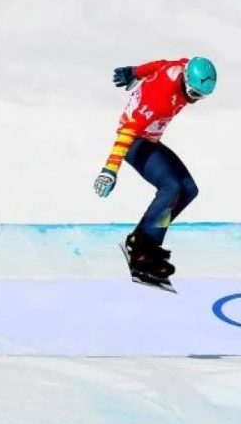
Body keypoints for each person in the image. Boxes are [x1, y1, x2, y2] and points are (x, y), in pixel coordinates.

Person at [93, 56, 217, 283]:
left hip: (148, 139)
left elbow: (161, 64)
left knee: (189, 189)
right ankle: (142, 252)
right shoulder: (159, 98)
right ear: (187, 84)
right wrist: (110, 169)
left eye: (202, 96)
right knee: (171, 187)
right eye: (195, 95)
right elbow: (128, 130)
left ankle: (140, 239)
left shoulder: (182, 68)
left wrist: (135, 71)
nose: (196, 101)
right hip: (135, 142)